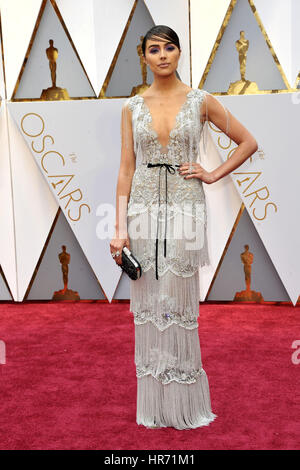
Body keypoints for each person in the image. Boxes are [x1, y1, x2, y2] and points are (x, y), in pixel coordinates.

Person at [110, 25, 258, 430]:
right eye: (153, 49)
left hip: (185, 207)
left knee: (177, 301)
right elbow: (126, 169)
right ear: (143, 57)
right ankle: (155, 407)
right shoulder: (131, 107)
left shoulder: (201, 101)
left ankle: (185, 404)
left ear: (180, 53)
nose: (162, 55)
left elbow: (247, 142)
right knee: (149, 303)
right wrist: (119, 228)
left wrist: (212, 173)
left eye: (169, 48)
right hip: (141, 209)